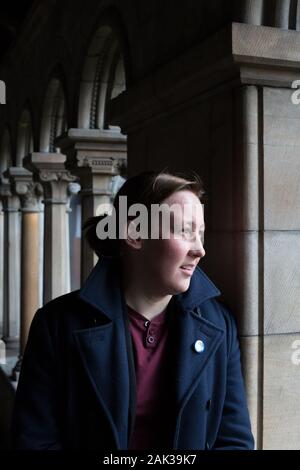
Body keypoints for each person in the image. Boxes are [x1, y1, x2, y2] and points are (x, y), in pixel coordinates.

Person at [12, 170, 254, 450]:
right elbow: (35, 441)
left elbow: (234, 441)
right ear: (135, 234)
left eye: (200, 234)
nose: (200, 250)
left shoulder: (219, 326)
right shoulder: (56, 326)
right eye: (186, 232)